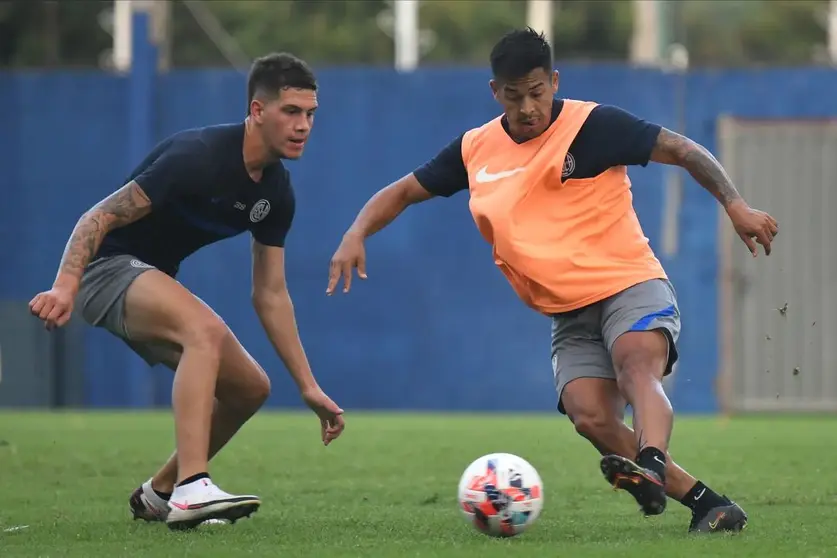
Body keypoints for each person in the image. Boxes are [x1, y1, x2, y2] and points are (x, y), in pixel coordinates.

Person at [327, 28, 777, 534]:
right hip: (568, 311)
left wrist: (735, 204)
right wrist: (356, 231)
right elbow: (405, 191)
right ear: (495, 91)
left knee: (636, 368)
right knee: (590, 416)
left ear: (554, 82)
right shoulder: (476, 149)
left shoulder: (593, 125)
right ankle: (709, 505)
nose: (527, 107)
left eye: (537, 92)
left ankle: (649, 466)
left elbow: (685, 150)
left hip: (629, 282)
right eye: (514, 95)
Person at [28, 52, 346, 530]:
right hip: (105, 270)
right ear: (258, 111)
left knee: (249, 389)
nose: (303, 126)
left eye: (311, 114)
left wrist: (308, 386)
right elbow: (98, 217)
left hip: (149, 279)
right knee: (204, 330)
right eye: (291, 112)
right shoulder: (196, 156)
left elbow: (271, 294)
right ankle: (193, 487)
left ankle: (158, 494)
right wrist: (64, 287)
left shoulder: (277, 193)